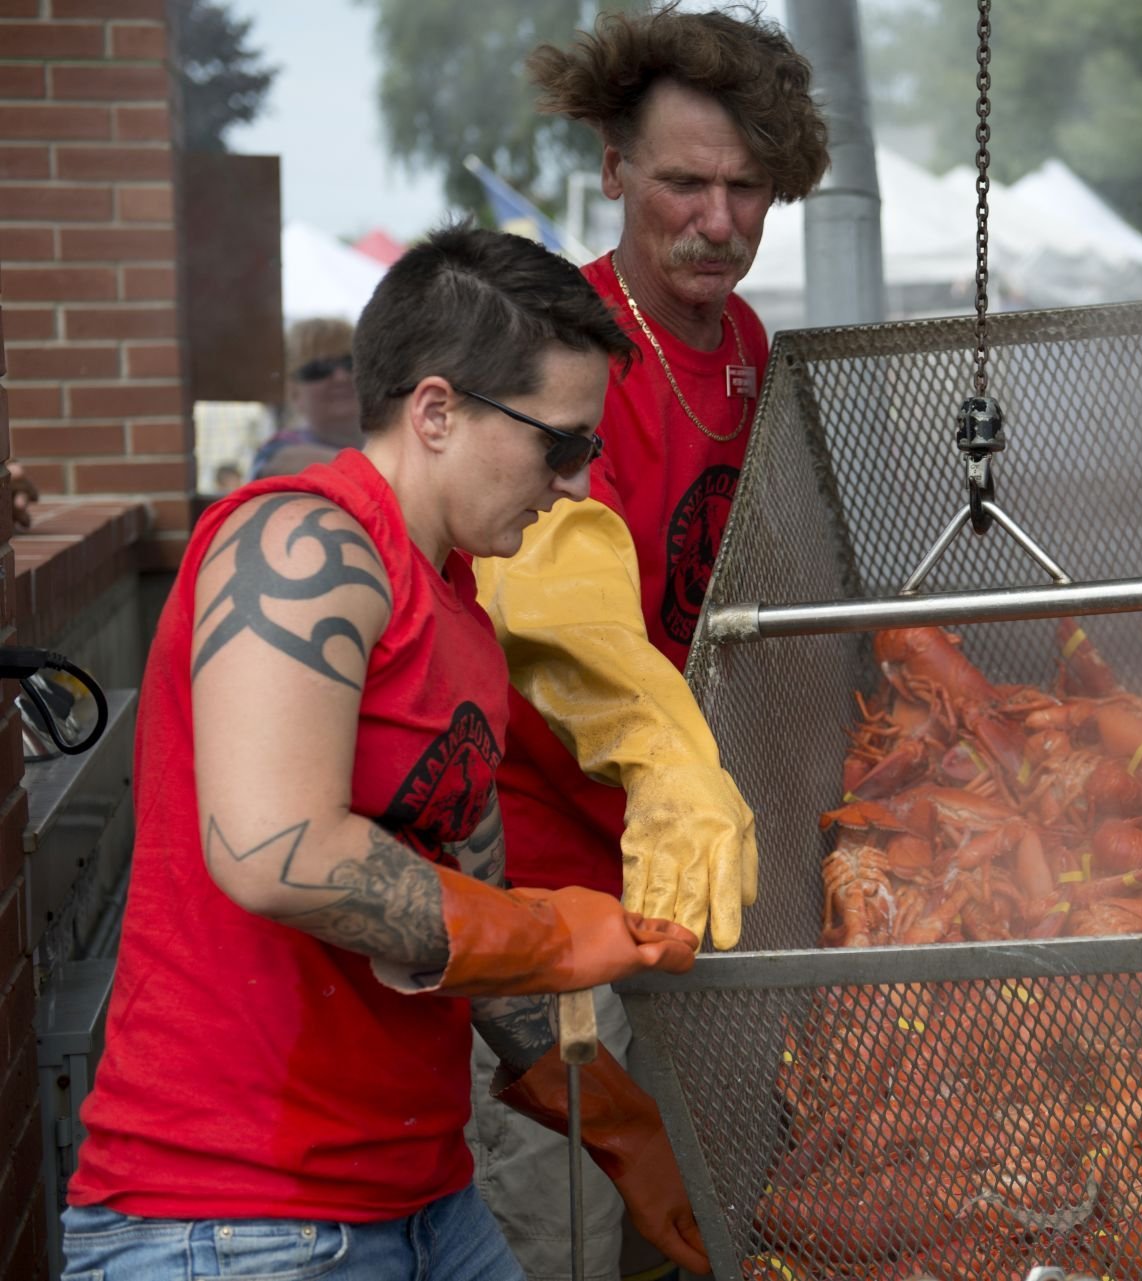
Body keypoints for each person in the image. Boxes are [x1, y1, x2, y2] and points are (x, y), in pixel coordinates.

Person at [60, 226, 709, 1279]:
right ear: (439, 410)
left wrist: (621, 1129)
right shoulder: (298, 545)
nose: (579, 487)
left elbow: (472, 914)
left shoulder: (460, 616)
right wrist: (549, 932)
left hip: (419, 1202)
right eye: (561, 444)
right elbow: (275, 851)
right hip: (232, 1220)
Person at [462, 12, 831, 1277]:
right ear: (614, 167)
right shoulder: (558, 348)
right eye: (684, 181)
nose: (717, 221)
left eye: (747, 189)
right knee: (556, 1233)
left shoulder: (747, 350)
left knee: (690, 1229)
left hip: (693, 896)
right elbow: (561, 609)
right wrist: (675, 772)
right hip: (545, 901)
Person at [252, 317, 364, 478]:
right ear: (293, 391)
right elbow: (278, 464)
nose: (341, 377)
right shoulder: (278, 452)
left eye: (350, 363)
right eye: (318, 369)